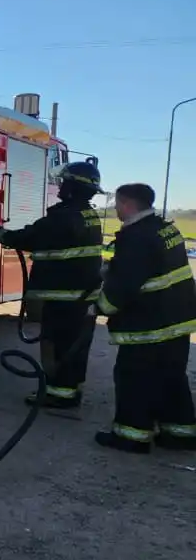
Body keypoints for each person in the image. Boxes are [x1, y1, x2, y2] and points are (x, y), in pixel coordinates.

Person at [0, 160, 104, 409]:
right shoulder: (89, 215)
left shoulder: (63, 217)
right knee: (74, 348)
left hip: (63, 298)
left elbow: (30, 237)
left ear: (72, 187)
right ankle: (71, 391)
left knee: (57, 345)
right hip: (82, 297)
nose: (60, 186)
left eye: (64, 182)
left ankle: (58, 394)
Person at [93, 183, 196, 453]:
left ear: (127, 204)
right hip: (178, 321)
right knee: (171, 376)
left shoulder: (136, 237)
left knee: (134, 378)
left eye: (117, 204)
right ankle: (181, 434)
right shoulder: (165, 228)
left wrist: (99, 307)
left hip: (150, 325)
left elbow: (124, 286)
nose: (115, 209)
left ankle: (131, 437)